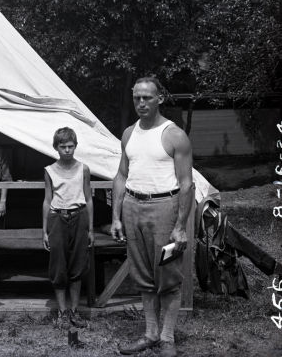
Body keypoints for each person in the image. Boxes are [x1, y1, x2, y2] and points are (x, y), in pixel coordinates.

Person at [111, 77, 194, 357]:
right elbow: (122, 175)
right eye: (137, 98)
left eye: (147, 97)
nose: (141, 103)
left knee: (167, 274)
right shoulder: (128, 133)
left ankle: (167, 338)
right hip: (133, 208)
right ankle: (150, 333)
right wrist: (116, 217)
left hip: (165, 209)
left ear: (159, 98)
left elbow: (186, 184)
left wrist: (180, 226)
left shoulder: (174, 135)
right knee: (143, 275)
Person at [42, 127, 94, 329]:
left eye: (70, 146)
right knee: (59, 265)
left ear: (76, 146)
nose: (67, 150)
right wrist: (44, 230)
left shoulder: (84, 169)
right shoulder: (49, 170)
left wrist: (90, 229)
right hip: (57, 218)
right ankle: (62, 312)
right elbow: (47, 200)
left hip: (79, 216)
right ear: (56, 147)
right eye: (63, 146)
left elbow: (88, 199)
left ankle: (74, 311)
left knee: (78, 265)